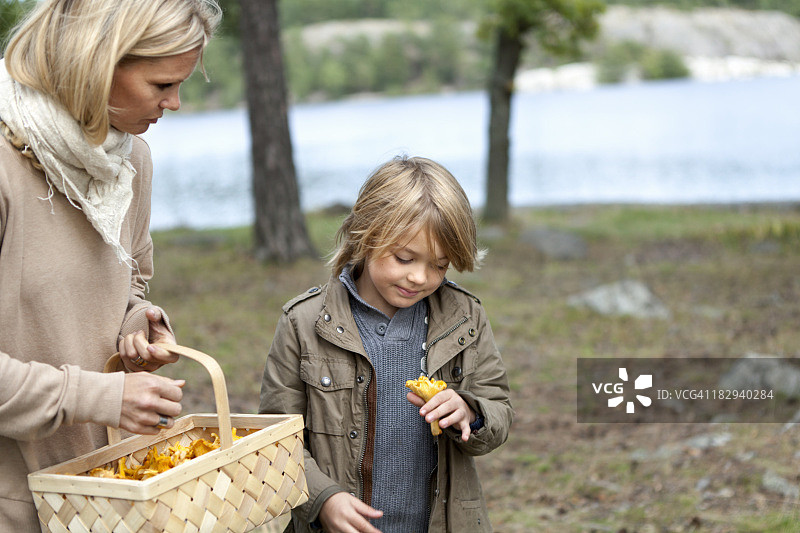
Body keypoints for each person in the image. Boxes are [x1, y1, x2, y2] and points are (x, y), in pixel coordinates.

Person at [0, 0, 221, 530]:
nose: (175, 103)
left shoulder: (129, 158)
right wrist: (98, 396)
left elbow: (130, 280)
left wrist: (135, 322)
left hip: (106, 496)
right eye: (162, 85)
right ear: (96, 63)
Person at [259, 156, 514, 533]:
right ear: (366, 234)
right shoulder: (303, 323)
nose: (420, 277)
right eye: (405, 258)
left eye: (439, 266)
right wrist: (322, 498)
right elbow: (275, 440)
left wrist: (470, 414)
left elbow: (500, 410)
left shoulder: (465, 317)